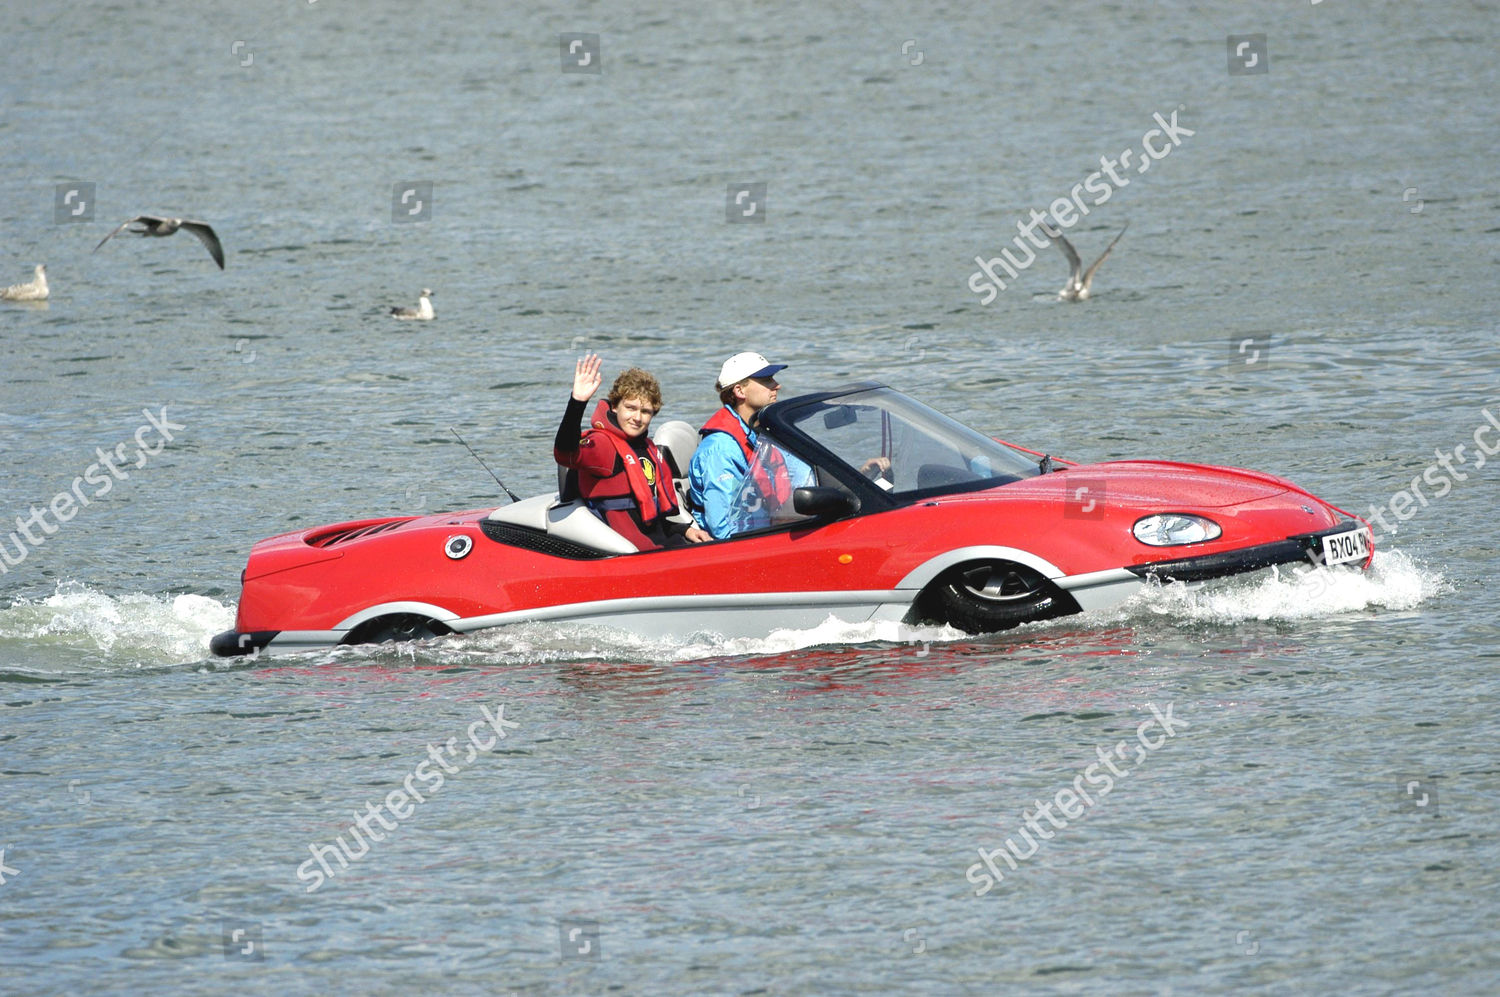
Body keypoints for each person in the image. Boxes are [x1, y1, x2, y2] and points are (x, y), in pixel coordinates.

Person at [554, 354, 711, 550]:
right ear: (614, 407)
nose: (637, 417)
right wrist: (577, 402)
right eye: (630, 408)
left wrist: (684, 530)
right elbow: (565, 453)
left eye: (645, 411)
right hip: (629, 553)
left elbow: (649, 516)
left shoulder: (647, 449)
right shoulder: (603, 445)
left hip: (659, 544)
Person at [689, 351, 794, 539]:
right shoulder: (721, 449)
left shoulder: (762, 435)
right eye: (766, 380)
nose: (777, 385)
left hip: (769, 534)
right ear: (739, 391)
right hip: (742, 547)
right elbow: (723, 528)